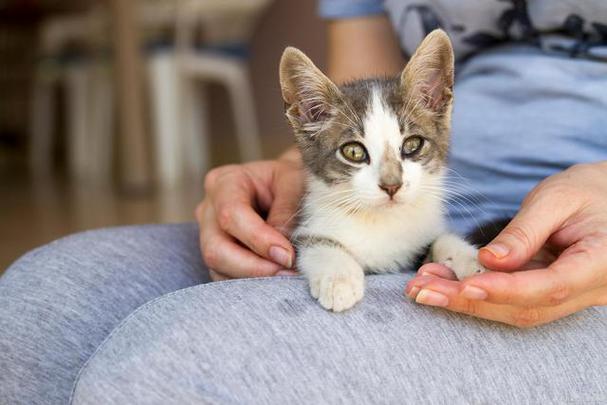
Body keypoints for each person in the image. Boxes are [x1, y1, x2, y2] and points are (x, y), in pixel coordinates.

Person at [2, 1, 607, 404]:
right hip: (414, 209)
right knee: (37, 307)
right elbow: (361, 79)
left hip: (569, 251)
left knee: (171, 372)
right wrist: (302, 166)